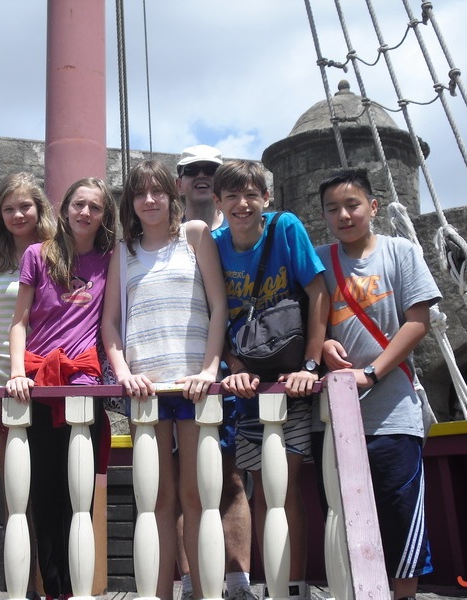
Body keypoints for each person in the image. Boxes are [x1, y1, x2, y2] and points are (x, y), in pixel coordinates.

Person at [101, 159, 228, 600]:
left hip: (193, 386)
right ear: (130, 202)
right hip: (146, 390)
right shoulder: (123, 252)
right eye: (140, 193)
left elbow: (219, 306)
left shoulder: (195, 235)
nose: (149, 200)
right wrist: (123, 372)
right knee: (157, 499)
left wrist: (209, 369)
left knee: (197, 496)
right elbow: (110, 323)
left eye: (157, 191)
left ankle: (205, 593)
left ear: (172, 195)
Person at [315, 169, 437, 599]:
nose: (344, 215)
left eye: (352, 205)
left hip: (393, 413)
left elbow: (418, 322)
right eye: (333, 208)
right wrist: (322, 344)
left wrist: (371, 373)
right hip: (334, 418)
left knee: (401, 515)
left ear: (373, 206)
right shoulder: (319, 261)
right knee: (344, 518)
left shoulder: (401, 252)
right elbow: (308, 324)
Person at [212, 160, 329, 600]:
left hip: (288, 378)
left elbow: (318, 291)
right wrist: (233, 365)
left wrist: (310, 365)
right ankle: (276, 584)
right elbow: (211, 313)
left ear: (266, 197)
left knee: (283, 485)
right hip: (246, 383)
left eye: (251, 195)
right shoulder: (214, 245)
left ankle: (292, 588)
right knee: (260, 485)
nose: (242, 204)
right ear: (219, 203)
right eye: (232, 196)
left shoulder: (285, 228)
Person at [5, 177, 118, 600]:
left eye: (95, 207)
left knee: (79, 496)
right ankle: (55, 592)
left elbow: (109, 324)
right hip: (38, 383)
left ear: (104, 216)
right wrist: (16, 372)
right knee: (44, 493)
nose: (85, 212)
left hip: (83, 385)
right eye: (78, 204)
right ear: (65, 207)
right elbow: (19, 321)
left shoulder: (111, 260)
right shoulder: (37, 254)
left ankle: (77, 591)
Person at [177, 145, 255, 600]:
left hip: (232, 371)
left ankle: (237, 582)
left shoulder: (239, 230)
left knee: (232, 477)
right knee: (184, 481)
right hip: (182, 372)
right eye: (193, 171)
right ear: (180, 181)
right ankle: (192, 583)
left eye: (211, 170)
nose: (202, 176)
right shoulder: (166, 236)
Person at [0, 172, 56, 600]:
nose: (17, 215)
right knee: (17, 497)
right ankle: (24, 591)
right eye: (8, 208)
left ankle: (52, 586)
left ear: (39, 208)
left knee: (51, 492)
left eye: (25, 206)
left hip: (49, 382)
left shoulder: (57, 252)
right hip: (6, 385)